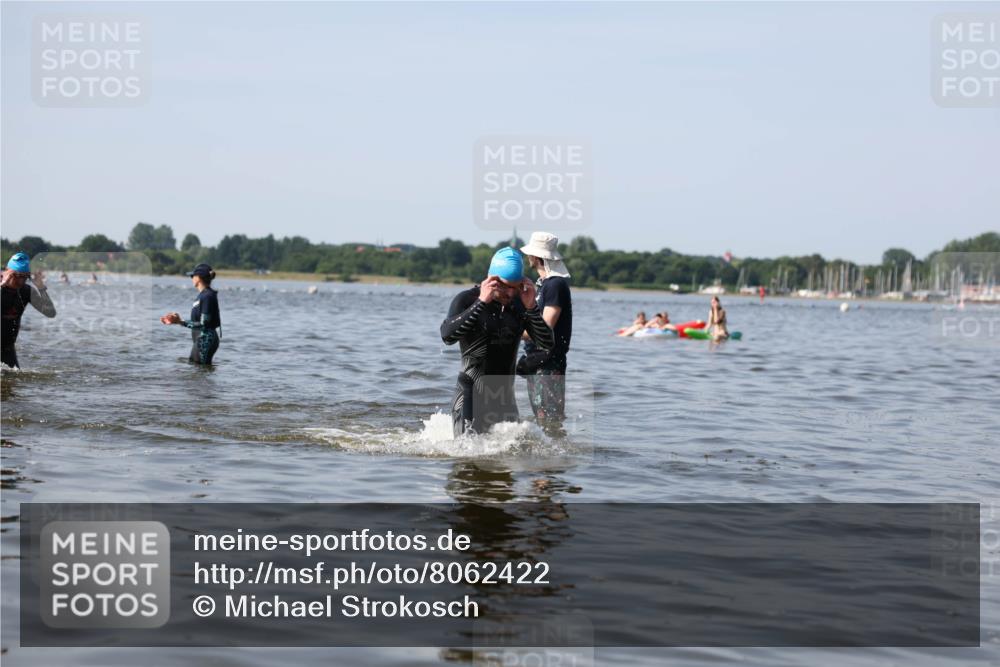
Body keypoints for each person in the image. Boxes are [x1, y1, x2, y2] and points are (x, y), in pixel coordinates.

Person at [440, 247, 553, 436]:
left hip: (505, 400)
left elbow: (547, 344)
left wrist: (532, 307)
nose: (510, 293)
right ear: (491, 279)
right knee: (467, 458)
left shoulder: (520, 305)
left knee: (511, 459)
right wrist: (481, 302)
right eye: (505, 286)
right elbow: (447, 336)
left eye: (515, 286)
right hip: (470, 396)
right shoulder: (466, 300)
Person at [519, 232, 572, 433]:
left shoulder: (555, 284)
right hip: (538, 359)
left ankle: (554, 462)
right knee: (543, 419)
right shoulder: (542, 284)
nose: (528, 258)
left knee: (550, 420)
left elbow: (546, 326)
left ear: (536, 257)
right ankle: (548, 462)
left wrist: (513, 332)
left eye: (529, 254)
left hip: (549, 361)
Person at [1, 253, 57, 369]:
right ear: (6, 272)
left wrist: (41, 288)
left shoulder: (26, 291)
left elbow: (50, 313)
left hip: (7, 349)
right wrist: (2, 285)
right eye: (16, 276)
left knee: (13, 381)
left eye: (25, 277)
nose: (21, 281)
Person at [160, 264, 222, 365]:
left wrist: (180, 322)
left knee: (198, 371)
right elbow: (199, 322)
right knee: (198, 373)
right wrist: (178, 321)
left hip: (205, 340)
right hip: (202, 339)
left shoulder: (207, 296)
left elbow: (204, 324)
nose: (191, 278)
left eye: (192, 276)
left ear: (198, 278)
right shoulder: (204, 295)